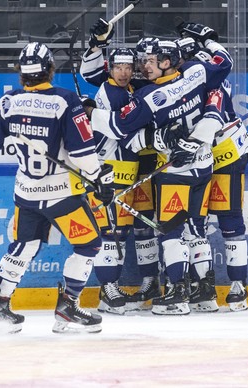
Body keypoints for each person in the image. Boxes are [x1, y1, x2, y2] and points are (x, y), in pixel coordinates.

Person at [84, 23, 234, 315]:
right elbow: (224, 62)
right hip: (203, 166)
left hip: (174, 171)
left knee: (171, 232)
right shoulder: (195, 72)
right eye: (139, 62)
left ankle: (177, 295)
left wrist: (89, 113)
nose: (142, 67)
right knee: (195, 229)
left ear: (166, 62)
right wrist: (208, 40)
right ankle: (204, 292)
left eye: (149, 62)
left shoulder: (150, 97)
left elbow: (118, 126)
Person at [0, 42, 114, 334]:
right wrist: (100, 178)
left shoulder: (8, 101)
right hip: (61, 195)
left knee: (24, 246)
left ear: (22, 72)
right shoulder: (64, 100)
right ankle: (67, 309)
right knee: (89, 245)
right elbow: (82, 152)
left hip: (26, 193)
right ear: (50, 68)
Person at [81, 22, 163, 312]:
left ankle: (147, 281)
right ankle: (107, 289)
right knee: (110, 231)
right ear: (110, 68)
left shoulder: (128, 87)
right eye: (119, 67)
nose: (125, 72)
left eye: (130, 67)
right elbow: (123, 129)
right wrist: (95, 43)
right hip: (107, 171)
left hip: (129, 172)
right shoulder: (113, 92)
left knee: (132, 230)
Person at [176, 35, 248, 312]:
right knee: (195, 220)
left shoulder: (206, 77)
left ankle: (238, 286)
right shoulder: (201, 71)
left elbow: (213, 116)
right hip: (201, 155)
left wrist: (191, 143)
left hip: (225, 152)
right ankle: (203, 287)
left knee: (229, 218)